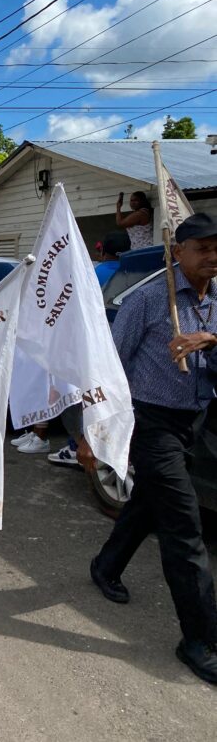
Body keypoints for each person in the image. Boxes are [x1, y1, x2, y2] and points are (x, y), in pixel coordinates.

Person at [83, 212, 217, 685]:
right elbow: (110, 365)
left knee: (148, 504)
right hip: (151, 422)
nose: (212, 257)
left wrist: (210, 339)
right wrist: (97, 432)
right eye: (202, 248)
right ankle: (199, 639)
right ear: (178, 252)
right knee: (184, 529)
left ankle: (106, 565)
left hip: (197, 420)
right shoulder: (146, 301)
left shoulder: (216, 300)